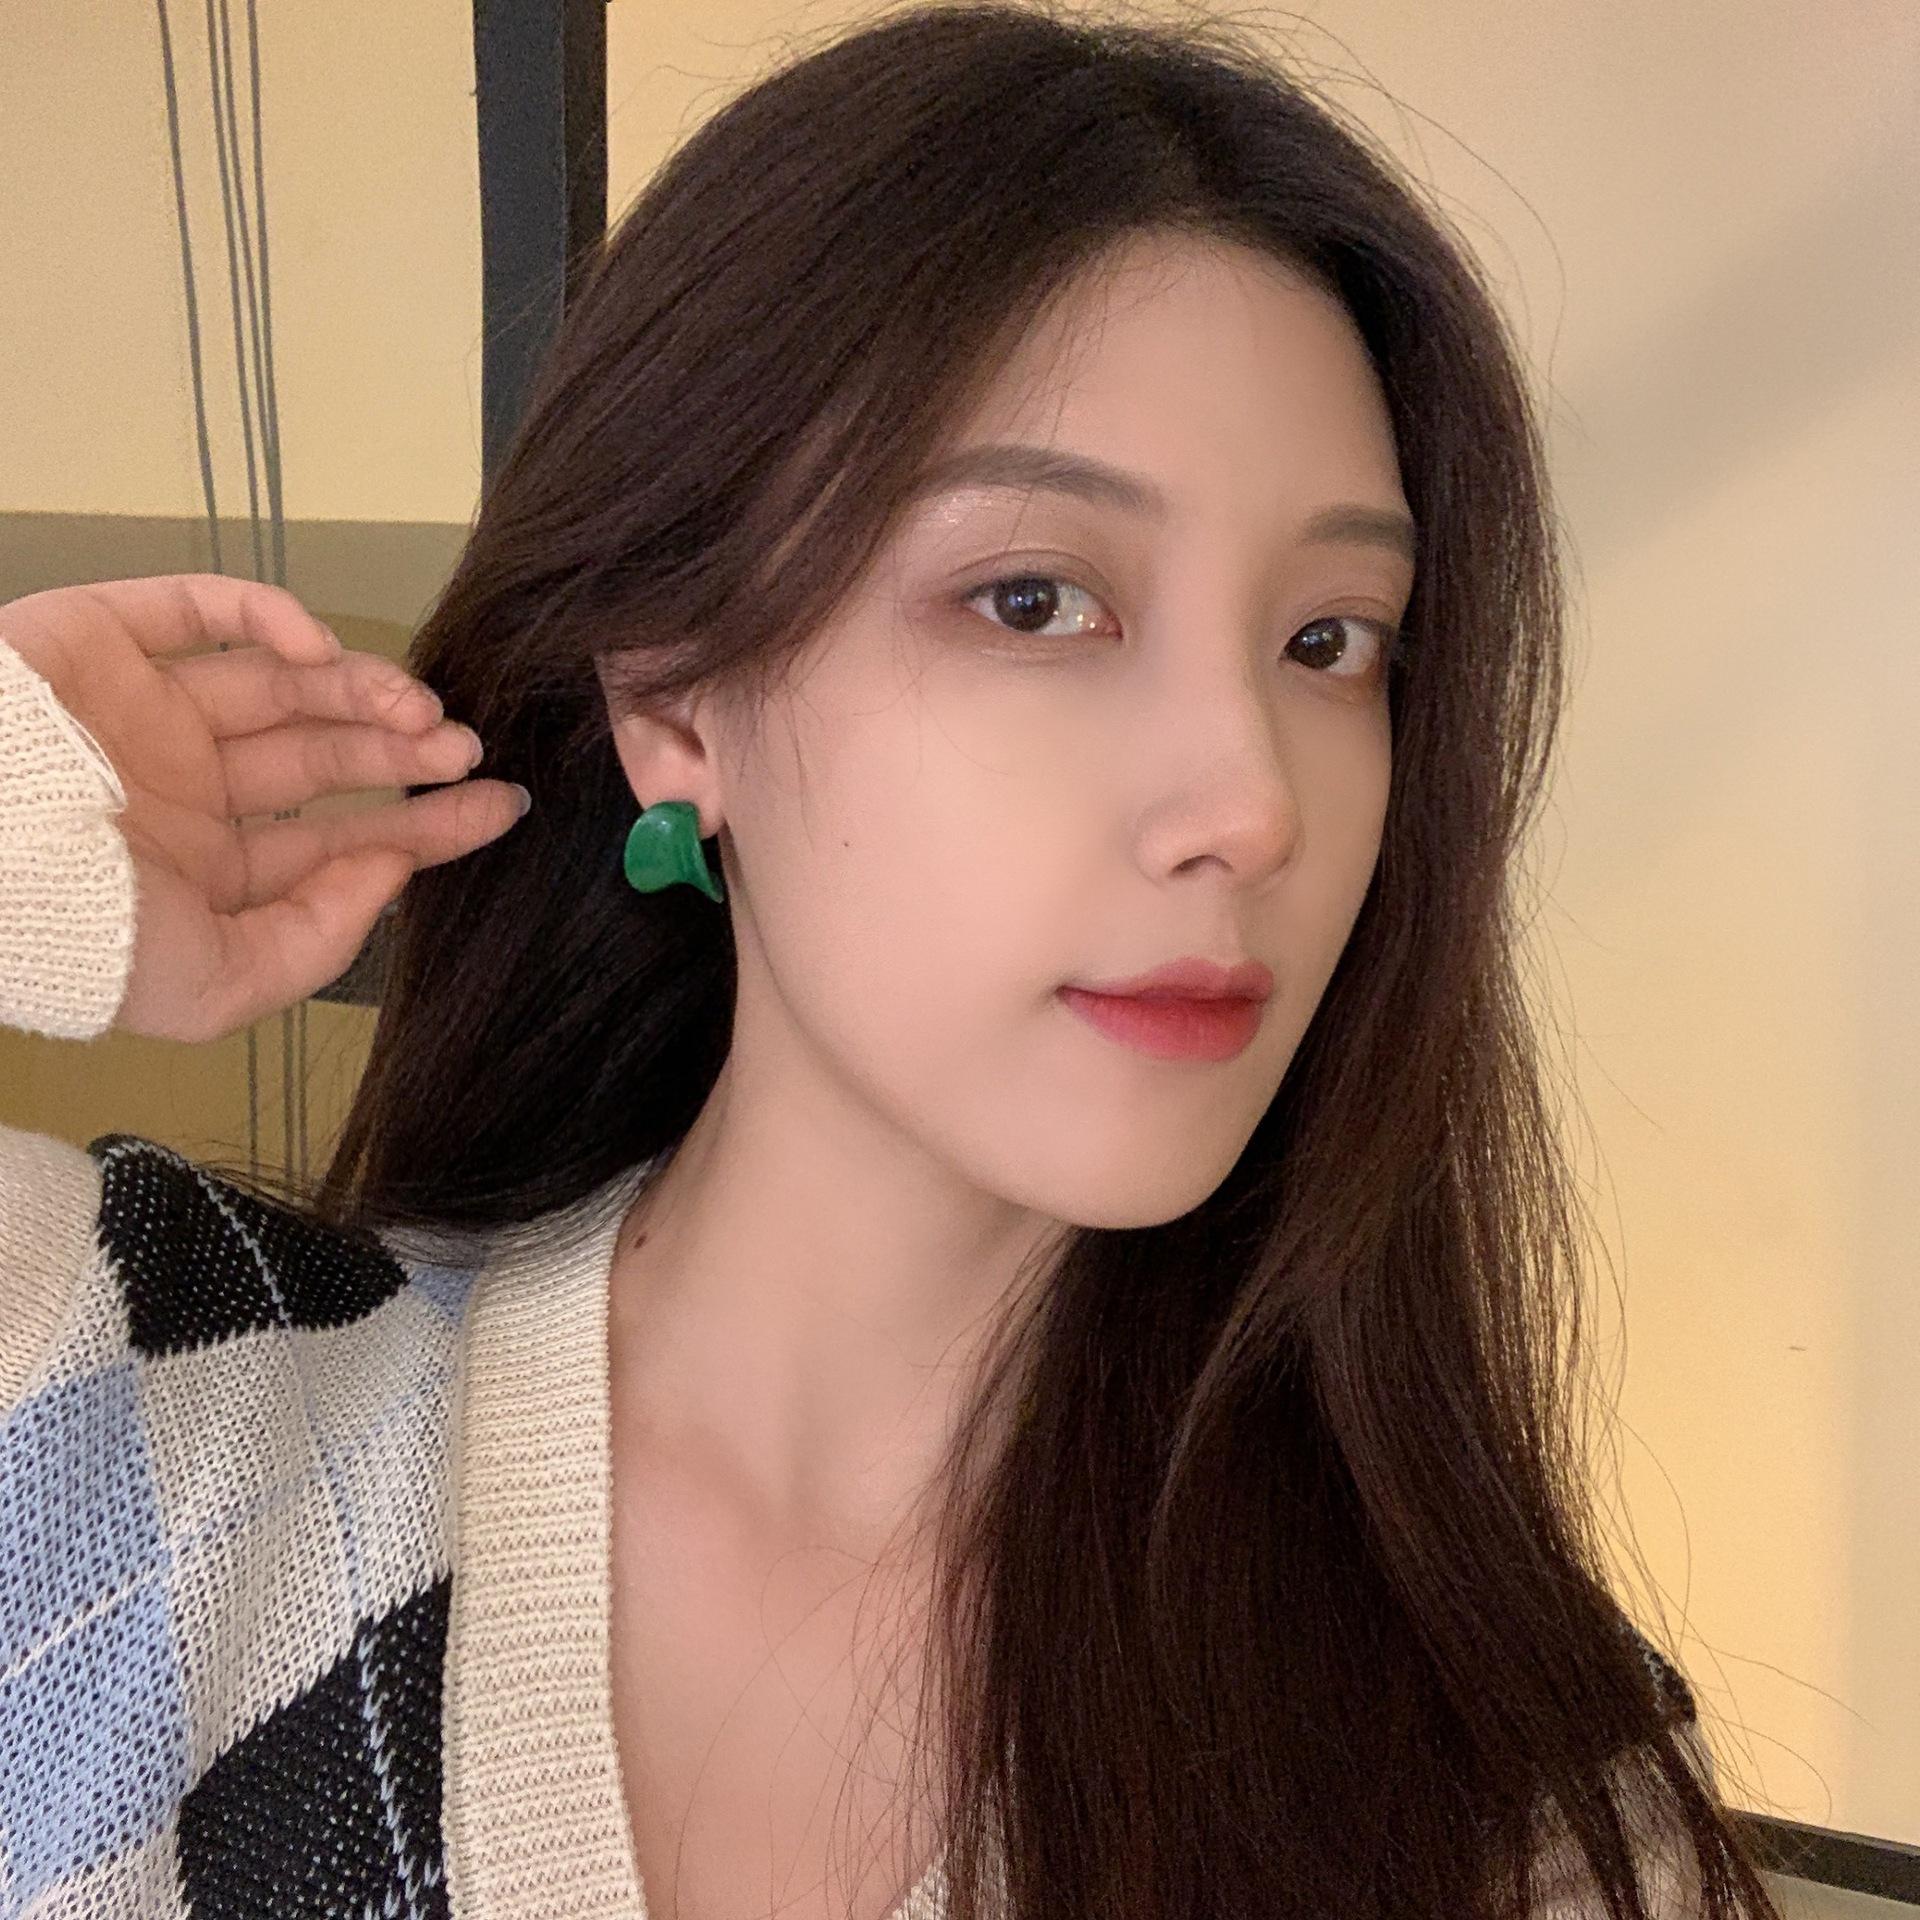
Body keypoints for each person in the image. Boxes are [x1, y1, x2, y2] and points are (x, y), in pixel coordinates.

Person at [0, 5, 1782, 1918]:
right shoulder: (104, 1406)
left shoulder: (1503, 1790)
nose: (1251, 805)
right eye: (1035, 598)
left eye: (1331, 641)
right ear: (674, 700)